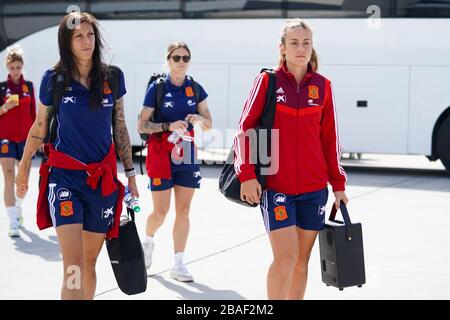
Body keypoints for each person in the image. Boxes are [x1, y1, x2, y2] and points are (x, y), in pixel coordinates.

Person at [15, 12, 138, 300]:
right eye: (78, 36)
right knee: (72, 265)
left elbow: (119, 126)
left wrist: (131, 175)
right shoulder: (54, 79)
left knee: (88, 263)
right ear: (67, 43)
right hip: (65, 179)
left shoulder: (112, 77)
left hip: (101, 182)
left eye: (90, 34)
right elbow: (40, 126)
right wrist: (23, 168)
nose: (86, 41)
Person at [234, 19, 349, 300]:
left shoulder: (323, 86)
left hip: (313, 190)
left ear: (312, 48)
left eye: (306, 43)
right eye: (294, 43)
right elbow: (244, 130)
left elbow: (329, 140)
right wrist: (247, 174)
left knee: (301, 262)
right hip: (276, 187)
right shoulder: (267, 82)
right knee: (286, 258)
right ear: (282, 48)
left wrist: (338, 184)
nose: (301, 48)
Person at [138, 42, 212, 282]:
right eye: (176, 57)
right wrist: (168, 126)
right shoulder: (157, 88)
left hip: (187, 151)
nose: (181, 62)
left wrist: (199, 118)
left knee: (184, 210)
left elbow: (209, 121)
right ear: (168, 60)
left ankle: (178, 264)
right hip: (161, 151)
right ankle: (147, 242)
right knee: (160, 211)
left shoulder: (195, 87)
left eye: (185, 58)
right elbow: (142, 125)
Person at [0, 47, 36, 237]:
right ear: (7, 67)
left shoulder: (28, 86)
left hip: (25, 139)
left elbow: (34, 115)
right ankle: (13, 221)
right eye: (12, 67)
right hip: (5, 138)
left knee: (23, 181)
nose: (15, 71)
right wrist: (5, 107)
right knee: (8, 177)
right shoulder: (1, 88)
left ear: (22, 67)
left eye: (18, 67)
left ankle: (18, 206)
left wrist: (40, 139)